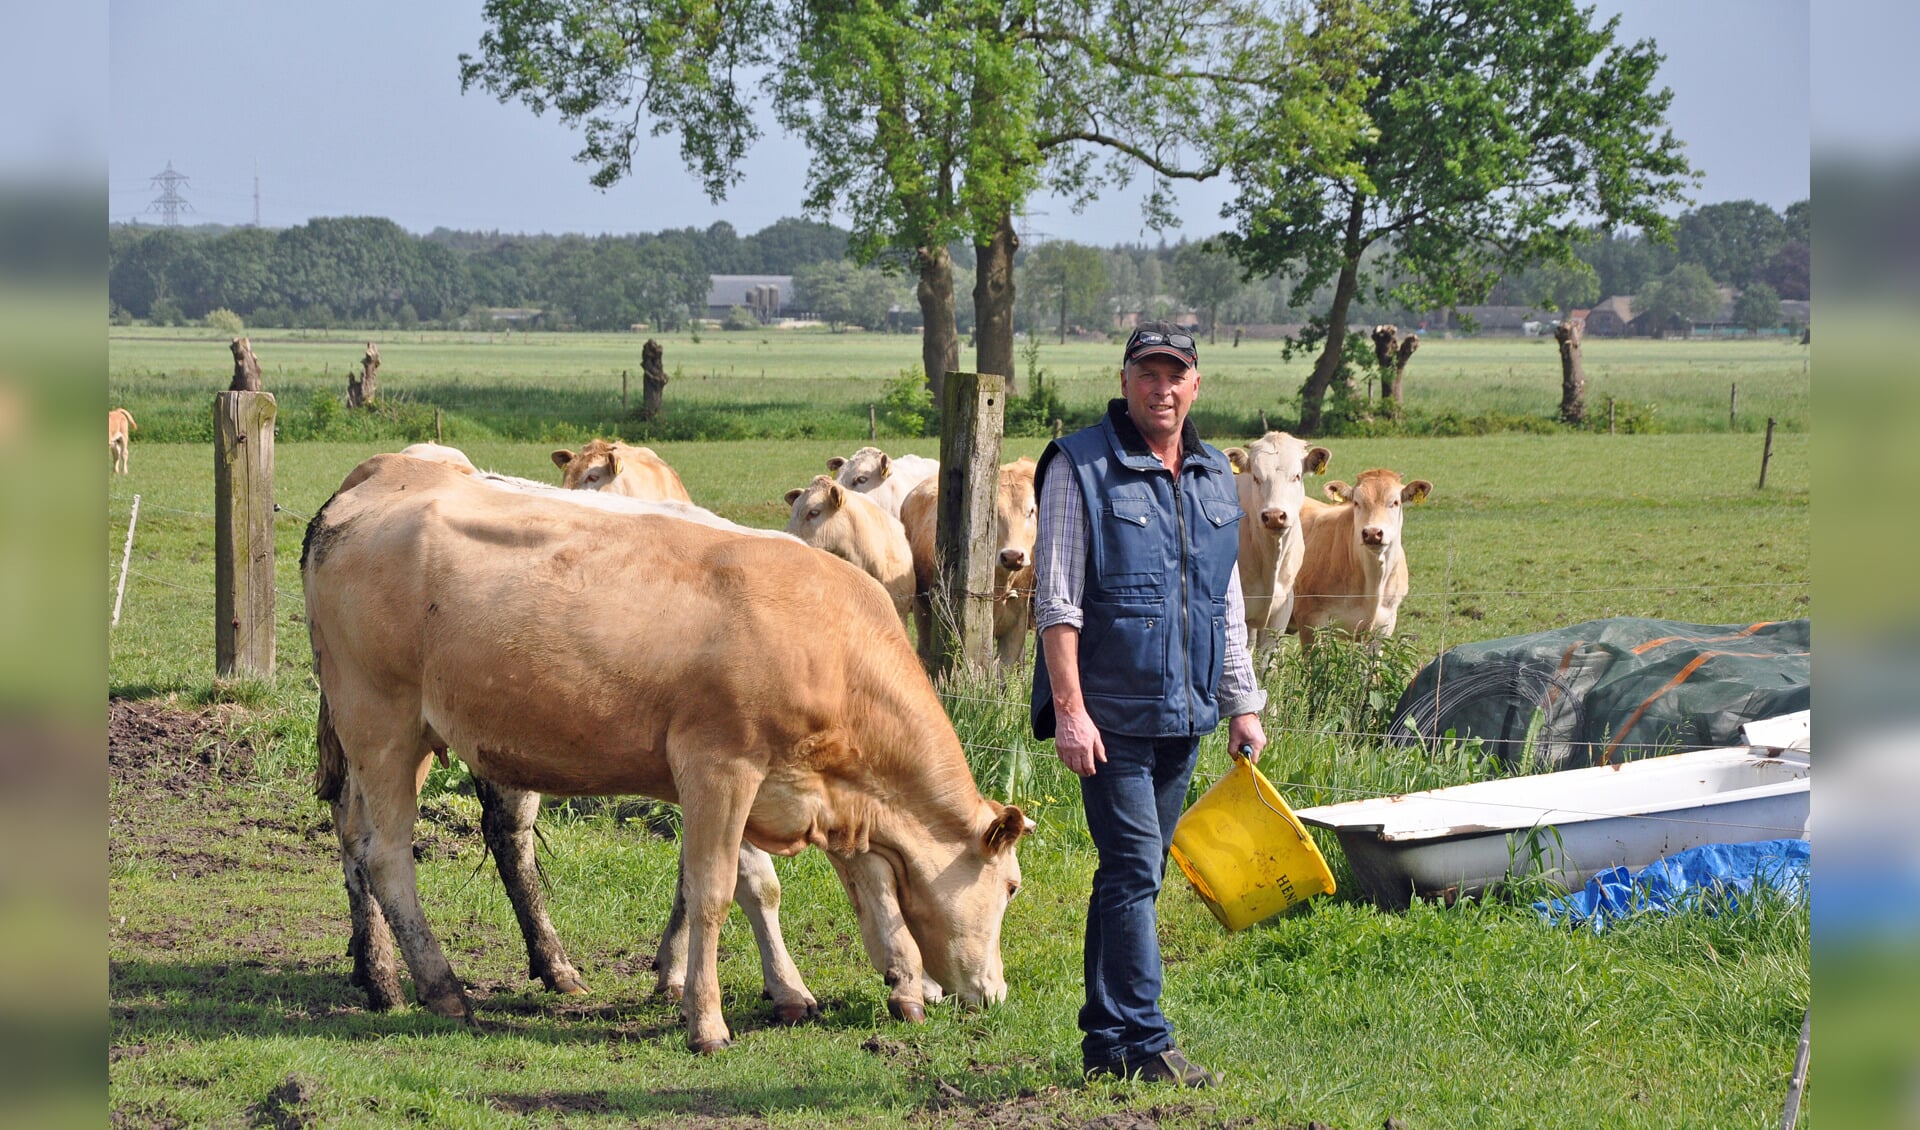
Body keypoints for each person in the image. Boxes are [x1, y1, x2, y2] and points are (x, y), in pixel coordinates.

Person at [1030, 321, 1268, 1088]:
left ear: (1195, 385)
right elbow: (1057, 601)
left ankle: (1105, 1042)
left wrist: (1242, 701)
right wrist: (1070, 711)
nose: (1161, 389)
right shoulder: (1080, 466)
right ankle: (1147, 1039)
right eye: (1147, 374)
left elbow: (1223, 600)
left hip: (1186, 710)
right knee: (1133, 866)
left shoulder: (1211, 475)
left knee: (1133, 873)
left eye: (1176, 375)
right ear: (1125, 380)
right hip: (1108, 714)